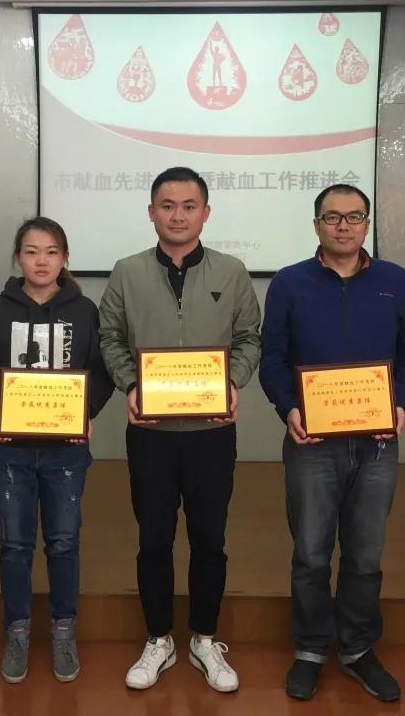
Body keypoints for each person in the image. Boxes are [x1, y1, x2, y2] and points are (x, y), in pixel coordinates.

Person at [259, 184, 405, 703]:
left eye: (354, 217)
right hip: (311, 442)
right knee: (311, 553)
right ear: (316, 225)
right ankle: (311, 647)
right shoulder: (290, 282)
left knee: (365, 554)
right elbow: (272, 358)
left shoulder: (393, 280)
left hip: (377, 443)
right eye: (332, 217)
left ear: (367, 224)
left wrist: (399, 402)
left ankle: (356, 648)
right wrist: (288, 407)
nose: (343, 226)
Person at [99, 166, 261, 694]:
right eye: (167, 206)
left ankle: (204, 638)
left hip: (211, 431)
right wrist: (130, 385)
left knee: (210, 538)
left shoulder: (232, 271)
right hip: (151, 432)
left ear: (205, 213)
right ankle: (159, 638)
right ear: (151, 212)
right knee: (154, 539)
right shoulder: (126, 272)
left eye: (189, 206)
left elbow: (249, 338)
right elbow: (109, 338)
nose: (177, 216)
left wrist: (234, 381)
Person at [0, 217, 114, 685]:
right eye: (31, 252)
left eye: (51, 252)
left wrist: (87, 410)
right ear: (18, 258)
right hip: (10, 449)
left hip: (65, 450)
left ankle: (63, 629)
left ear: (65, 258)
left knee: (64, 541)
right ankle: (16, 629)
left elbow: (102, 372)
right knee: (14, 544)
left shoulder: (85, 312)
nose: (41, 261)